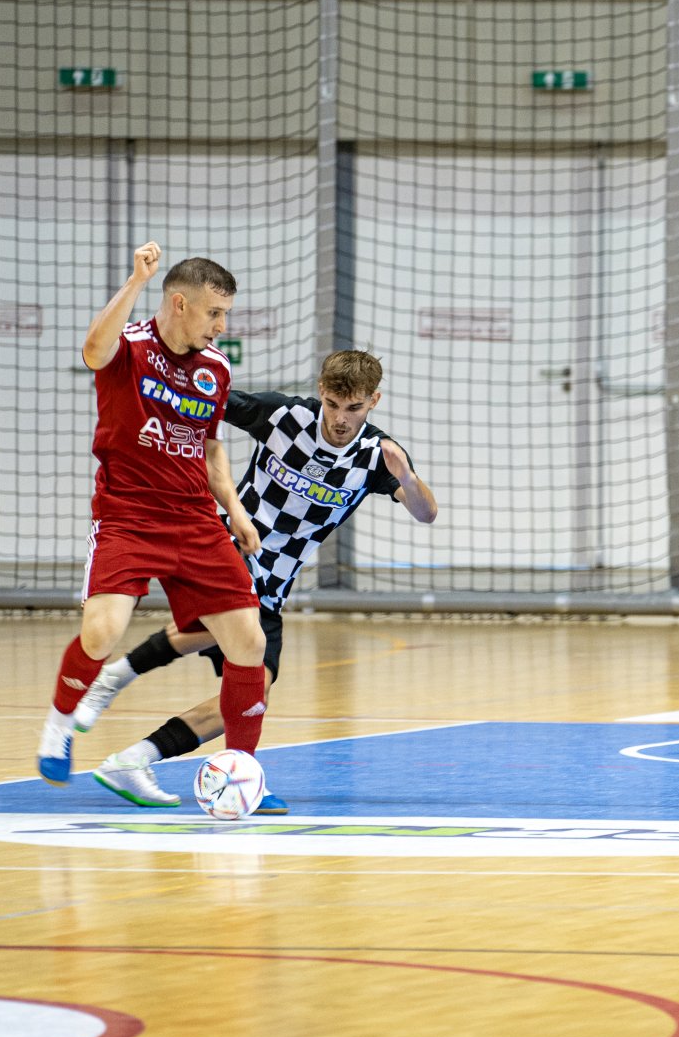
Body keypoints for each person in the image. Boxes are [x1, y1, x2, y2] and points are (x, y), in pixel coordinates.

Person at [74, 349, 439, 810]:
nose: (340, 419)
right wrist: (154, 383)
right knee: (235, 637)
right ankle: (120, 685)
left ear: (374, 401)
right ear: (321, 392)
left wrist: (406, 475)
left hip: (275, 583)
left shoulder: (377, 456)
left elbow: (427, 513)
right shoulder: (284, 415)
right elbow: (209, 404)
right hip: (231, 548)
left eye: (354, 408)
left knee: (252, 692)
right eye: (332, 404)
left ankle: (135, 759)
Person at [37, 244, 269, 786]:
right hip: (129, 515)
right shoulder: (131, 347)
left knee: (249, 643)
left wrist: (234, 510)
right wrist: (136, 281)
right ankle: (58, 726)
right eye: (215, 312)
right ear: (180, 303)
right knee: (102, 633)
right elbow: (93, 348)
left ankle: (243, 771)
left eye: (226, 314)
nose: (221, 325)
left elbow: (210, 446)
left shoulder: (215, 367)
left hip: (195, 519)